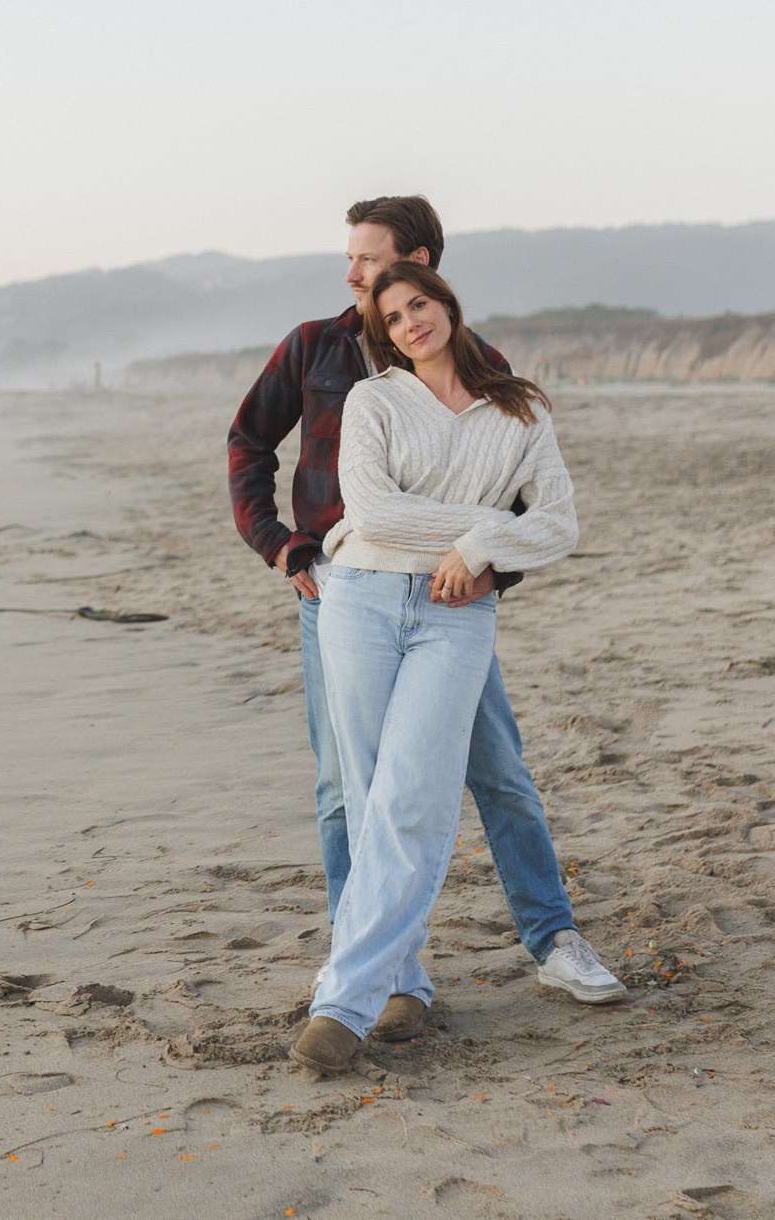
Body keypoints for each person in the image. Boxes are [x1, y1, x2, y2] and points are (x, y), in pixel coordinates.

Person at [227, 196, 622, 1043]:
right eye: (357, 265)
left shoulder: (493, 376)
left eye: (368, 261)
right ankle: (375, 965)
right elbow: (249, 443)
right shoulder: (316, 347)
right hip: (342, 594)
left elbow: (525, 510)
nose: (354, 276)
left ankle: (553, 938)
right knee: (349, 791)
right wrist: (286, 550)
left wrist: (490, 563)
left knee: (501, 775)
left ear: (425, 266)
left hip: (452, 606)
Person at [289, 260, 586, 1075]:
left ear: (447, 304)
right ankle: (398, 979)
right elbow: (372, 509)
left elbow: (560, 522)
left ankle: (342, 1002)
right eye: (394, 316)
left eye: (420, 303)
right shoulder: (374, 400)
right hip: (359, 598)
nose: (411, 321)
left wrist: (480, 549)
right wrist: (489, 525)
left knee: (414, 798)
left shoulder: (519, 410)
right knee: (366, 793)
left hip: (457, 613)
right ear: (384, 332)